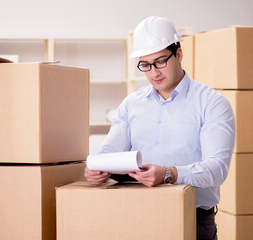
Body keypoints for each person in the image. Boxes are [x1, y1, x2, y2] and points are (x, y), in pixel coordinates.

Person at [85, 16, 235, 240]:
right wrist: (97, 170)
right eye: (145, 65)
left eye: (160, 61)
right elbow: (109, 152)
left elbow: (217, 170)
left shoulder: (212, 103)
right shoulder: (131, 104)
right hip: (135, 215)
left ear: (179, 54)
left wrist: (169, 174)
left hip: (192, 219)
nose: (154, 72)